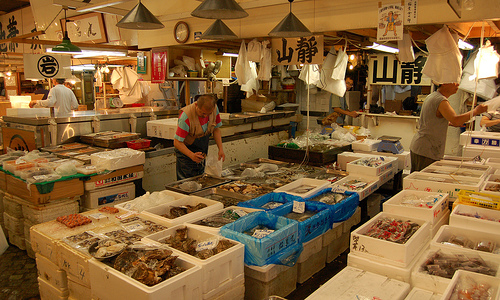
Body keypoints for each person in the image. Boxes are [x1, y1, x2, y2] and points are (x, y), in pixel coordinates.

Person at [410, 83, 488, 172]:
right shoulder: (441, 100)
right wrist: (476, 111)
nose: (457, 85)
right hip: (426, 150)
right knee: (421, 182)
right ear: (444, 84)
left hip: (421, 147)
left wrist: (449, 123)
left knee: (418, 181)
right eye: (454, 82)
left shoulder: (432, 96)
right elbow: (456, 120)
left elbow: (431, 120)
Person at [173, 94, 225, 180]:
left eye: (209, 114)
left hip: (201, 152)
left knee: (200, 181)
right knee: (187, 185)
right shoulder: (185, 117)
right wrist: (191, 155)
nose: (205, 116)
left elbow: (216, 129)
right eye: (203, 113)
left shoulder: (214, 109)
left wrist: (221, 149)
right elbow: (177, 142)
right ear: (196, 105)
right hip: (186, 155)